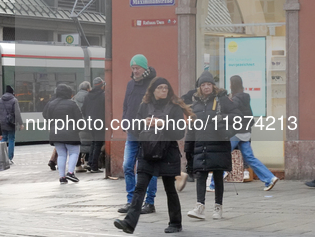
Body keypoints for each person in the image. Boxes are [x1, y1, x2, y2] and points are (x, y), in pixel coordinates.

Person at [114, 77, 194, 234]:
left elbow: (179, 132)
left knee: (170, 189)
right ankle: (129, 223)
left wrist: (162, 124)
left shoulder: (174, 108)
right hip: (147, 152)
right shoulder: (144, 106)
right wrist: (145, 123)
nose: (164, 90)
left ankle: (176, 223)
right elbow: (135, 128)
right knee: (140, 188)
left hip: (167, 153)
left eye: (166, 88)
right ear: (153, 90)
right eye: (160, 87)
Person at [207, 75, 279, 192]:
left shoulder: (235, 99)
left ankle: (214, 184)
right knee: (250, 157)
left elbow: (230, 113)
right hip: (245, 133)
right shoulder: (245, 97)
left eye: (230, 83)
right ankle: (269, 178)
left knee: (222, 154)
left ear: (232, 85)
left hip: (236, 133)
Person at [185, 71, 241, 220]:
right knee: (201, 175)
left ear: (213, 85)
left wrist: (225, 125)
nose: (206, 87)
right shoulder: (195, 104)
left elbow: (238, 116)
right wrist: (188, 146)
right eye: (203, 85)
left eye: (208, 84)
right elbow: (192, 126)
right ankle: (199, 207)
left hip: (218, 143)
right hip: (201, 144)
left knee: (217, 175)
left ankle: (218, 207)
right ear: (199, 87)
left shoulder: (222, 100)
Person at [118, 54, 158, 215]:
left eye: (138, 68)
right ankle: (131, 201)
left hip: (148, 133)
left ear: (144, 68)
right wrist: (124, 120)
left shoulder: (153, 84)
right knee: (127, 166)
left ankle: (149, 202)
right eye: (133, 68)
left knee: (149, 168)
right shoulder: (130, 84)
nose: (135, 71)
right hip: (132, 132)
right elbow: (126, 105)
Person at [42, 84, 83, 184]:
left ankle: (62, 177)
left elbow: (45, 115)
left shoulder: (50, 104)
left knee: (61, 155)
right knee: (74, 152)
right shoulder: (72, 104)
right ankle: (70, 173)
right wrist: (79, 128)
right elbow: (79, 119)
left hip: (55, 133)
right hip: (71, 133)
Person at [0, 85, 24, 164]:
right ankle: (9, 158)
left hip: (1, 123)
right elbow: (17, 113)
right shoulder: (14, 100)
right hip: (10, 123)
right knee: (11, 139)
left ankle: (3, 158)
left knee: (3, 139)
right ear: (12, 92)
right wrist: (21, 123)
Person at [82, 77, 105, 173]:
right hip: (100, 122)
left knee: (94, 142)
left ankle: (91, 163)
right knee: (98, 144)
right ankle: (94, 166)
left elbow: (83, 109)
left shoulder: (87, 96)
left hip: (90, 122)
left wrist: (88, 118)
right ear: (101, 86)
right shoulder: (103, 95)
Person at [74, 81, 91, 172]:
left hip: (77, 124)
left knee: (78, 145)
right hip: (88, 123)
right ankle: (88, 162)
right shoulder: (89, 97)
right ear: (88, 88)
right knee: (89, 143)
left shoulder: (74, 98)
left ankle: (78, 165)